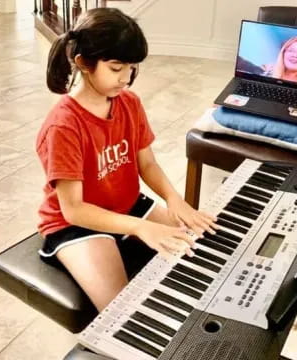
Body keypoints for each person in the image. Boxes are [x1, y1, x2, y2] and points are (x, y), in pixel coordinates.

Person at [36, 8, 218, 312]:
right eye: (116, 67)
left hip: (126, 204)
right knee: (124, 311)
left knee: (198, 249)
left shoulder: (129, 103)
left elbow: (146, 164)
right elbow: (74, 210)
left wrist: (175, 200)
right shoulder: (63, 125)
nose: (126, 78)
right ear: (83, 63)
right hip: (75, 224)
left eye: (131, 68)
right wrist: (139, 227)